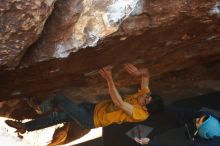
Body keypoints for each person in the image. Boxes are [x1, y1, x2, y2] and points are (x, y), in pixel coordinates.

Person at [5, 64, 153, 134]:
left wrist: (109, 78)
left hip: (90, 119)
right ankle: (25, 127)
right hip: (91, 108)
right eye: (147, 94)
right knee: (56, 118)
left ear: (145, 107)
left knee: (59, 98)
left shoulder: (140, 114)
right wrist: (138, 72)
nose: (143, 94)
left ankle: (40, 108)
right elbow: (146, 74)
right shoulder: (144, 96)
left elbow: (119, 102)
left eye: (146, 98)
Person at [133, 107, 220, 146]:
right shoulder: (208, 116)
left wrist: (151, 144)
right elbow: (183, 112)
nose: (197, 119)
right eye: (200, 118)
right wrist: (158, 108)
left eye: (198, 122)